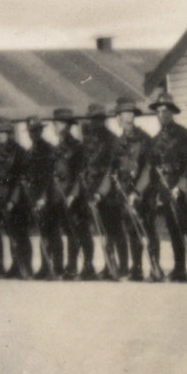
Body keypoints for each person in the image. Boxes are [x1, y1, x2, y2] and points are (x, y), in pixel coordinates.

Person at [148, 93, 187, 282]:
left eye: (165, 111)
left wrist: (181, 186)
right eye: (158, 112)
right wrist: (158, 193)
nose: (161, 115)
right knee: (173, 230)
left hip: (181, 190)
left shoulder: (185, 135)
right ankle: (180, 268)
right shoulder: (154, 141)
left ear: (172, 112)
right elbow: (154, 169)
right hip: (165, 190)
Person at [106, 97, 155, 281]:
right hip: (125, 193)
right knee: (132, 232)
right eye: (121, 115)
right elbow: (111, 172)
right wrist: (99, 193)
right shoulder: (118, 143)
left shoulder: (144, 140)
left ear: (131, 116)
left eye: (127, 114)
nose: (123, 118)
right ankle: (137, 268)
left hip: (142, 194)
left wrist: (137, 192)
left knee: (147, 231)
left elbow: (148, 169)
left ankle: (155, 268)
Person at [78, 103, 118, 280]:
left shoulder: (112, 140)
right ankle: (88, 265)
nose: (96, 123)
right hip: (87, 190)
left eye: (99, 119)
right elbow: (84, 166)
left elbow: (111, 169)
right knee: (85, 228)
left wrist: (100, 192)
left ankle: (111, 267)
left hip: (106, 192)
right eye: (94, 120)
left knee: (107, 230)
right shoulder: (86, 141)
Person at [50, 108, 88, 280]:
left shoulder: (77, 148)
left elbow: (80, 174)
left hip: (71, 198)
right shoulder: (56, 147)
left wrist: (73, 195)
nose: (54, 126)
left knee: (72, 232)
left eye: (57, 124)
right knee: (56, 232)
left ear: (65, 126)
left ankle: (71, 267)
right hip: (57, 196)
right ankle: (58, 267)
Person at [0, 117, 31, 279]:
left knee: (21, 234)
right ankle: (15, 265)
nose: (1, 136)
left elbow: (21, 179)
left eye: (4, 133)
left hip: (17, 199)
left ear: (10, 133)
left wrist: (12, 201)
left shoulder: (20, 152)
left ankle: (25, 266)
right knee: (10, 233)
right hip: (1, 197)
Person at [25, 116, 59, 279]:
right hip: (35, 198)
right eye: (31, 131)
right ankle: (45, 267)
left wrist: (43, 197)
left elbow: (50, 177)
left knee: (50, 233)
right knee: (43, 232)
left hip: (48, 197)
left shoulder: (49, 150)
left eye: (37, 130)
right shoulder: (30, 151)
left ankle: (53, 267)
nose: (34, 134)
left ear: (41, 131)